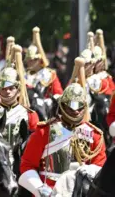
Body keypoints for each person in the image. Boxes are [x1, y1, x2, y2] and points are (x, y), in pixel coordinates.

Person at [19, 58, 106, 196]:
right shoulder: (44, 131)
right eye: (71, 106)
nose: (76, 111)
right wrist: (41, 189)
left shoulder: (95, 135)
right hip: (49, 191)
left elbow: (101, 169)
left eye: (80, 106)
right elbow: (27, 164)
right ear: (63, 105)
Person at [0, 45, 39, 150]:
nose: (7, 91)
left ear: (19, 90)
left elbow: (35, 144)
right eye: (4, 88)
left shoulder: (30, 115)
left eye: (11, 88)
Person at [24, 27, 63, 100]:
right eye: (28, 60)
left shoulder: (50, 75)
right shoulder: (25, 75)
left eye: (31, 60)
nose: (28, 62)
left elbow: (58, 94)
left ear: (39, 60)